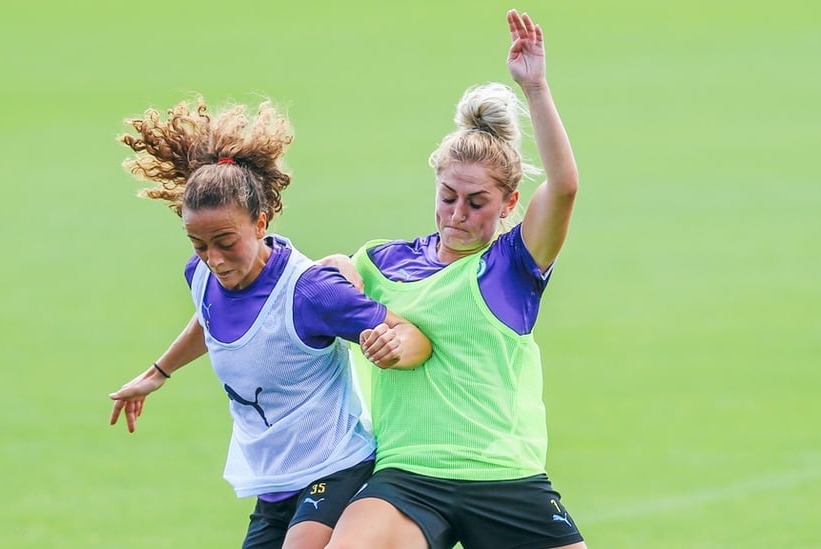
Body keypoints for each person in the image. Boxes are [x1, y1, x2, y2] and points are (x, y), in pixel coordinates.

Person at [106, 97, 432, 549]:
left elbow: (407, 333)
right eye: (199, 244)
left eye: (225, 242)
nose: (213, 259)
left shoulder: (311, 292)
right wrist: (158, 373)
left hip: (336, 467)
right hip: (274, 481)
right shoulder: (199, 275)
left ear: (260, 222)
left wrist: (393, 348)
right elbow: (211, 319)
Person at [324, 9, 587, 549]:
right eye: (448, 197)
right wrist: (336, 273)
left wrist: (535, 87)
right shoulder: (380, 262)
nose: (458, 214)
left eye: (477, 202)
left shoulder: (514, 265)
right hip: (408, 477)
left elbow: (563, 187)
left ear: (509, 203)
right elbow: (318, 297)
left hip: (505, 477)